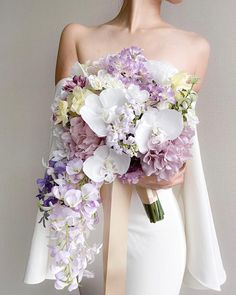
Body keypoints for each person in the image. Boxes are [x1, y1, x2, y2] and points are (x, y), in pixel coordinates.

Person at [24, 1, 226, 294]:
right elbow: (63, 141)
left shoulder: (195, 47)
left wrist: (170, 165)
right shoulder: (76, 37)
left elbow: (181, 140)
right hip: (91, 222)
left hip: (154, 222)